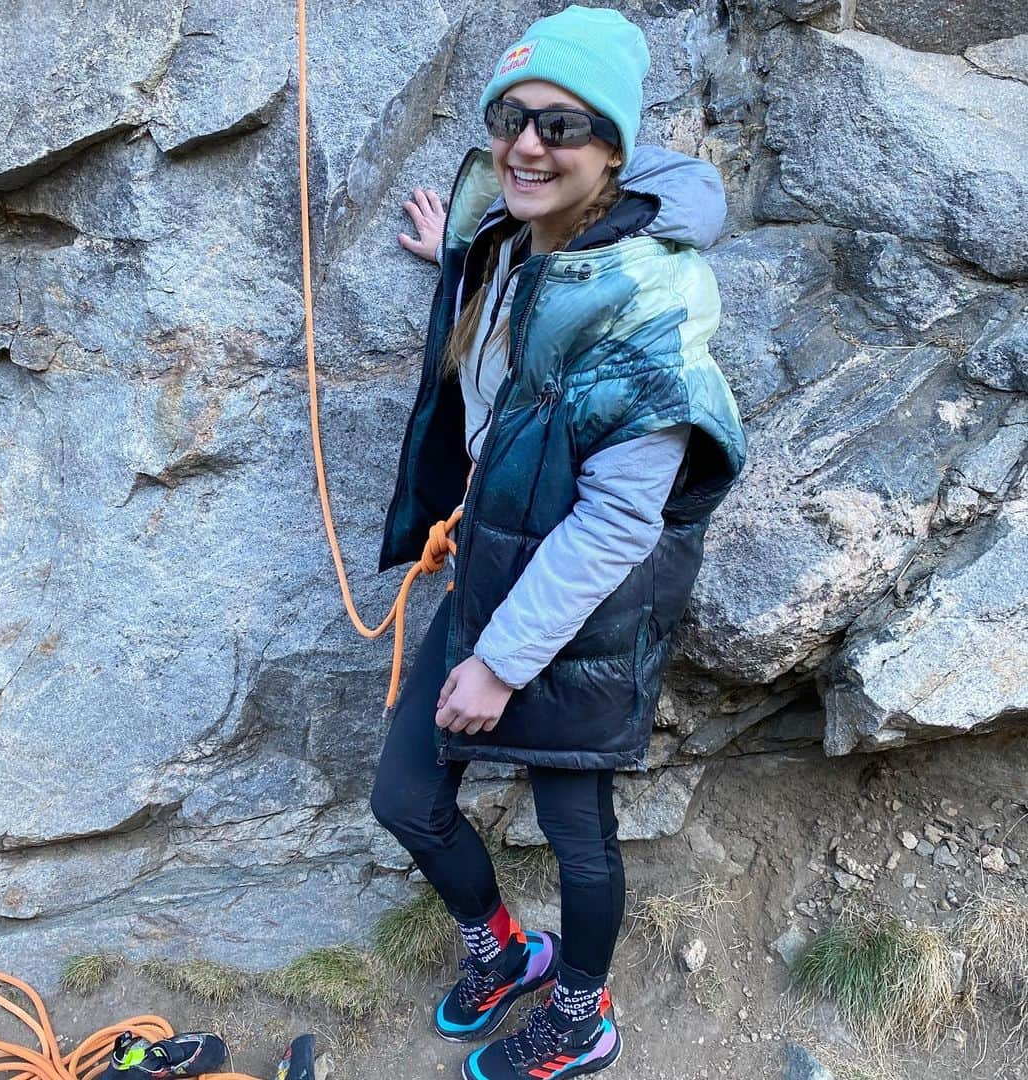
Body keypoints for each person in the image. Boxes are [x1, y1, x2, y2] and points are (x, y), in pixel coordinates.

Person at [371, 6, 746, 1078]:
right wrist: (456, 247)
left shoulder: (656, 306)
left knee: (575, 832)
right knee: (404, 797)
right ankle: (502, 952)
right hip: (497, 562)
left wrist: (497, 660)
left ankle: (583, 1017)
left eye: (565, 125)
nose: (529, 144)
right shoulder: (516, 230)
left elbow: (622, 518)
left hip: (588, 606)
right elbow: (523, 281)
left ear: (616, 149)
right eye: (512, 116)